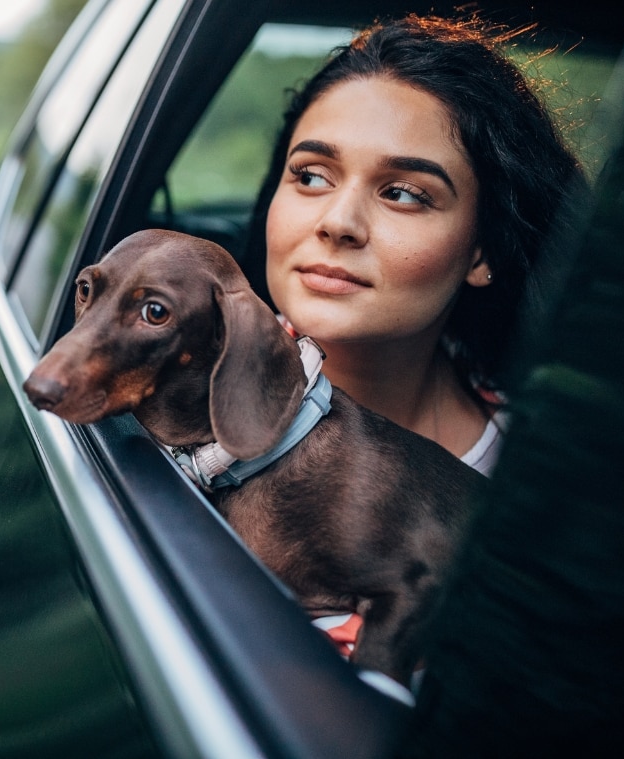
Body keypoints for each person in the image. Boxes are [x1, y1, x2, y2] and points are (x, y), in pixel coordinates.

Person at [244, 13, 587, 695]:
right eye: (311, 174)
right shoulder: (182, 410)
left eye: (404, 192)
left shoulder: (547, 486)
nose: (337, 222)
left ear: (481, 251)